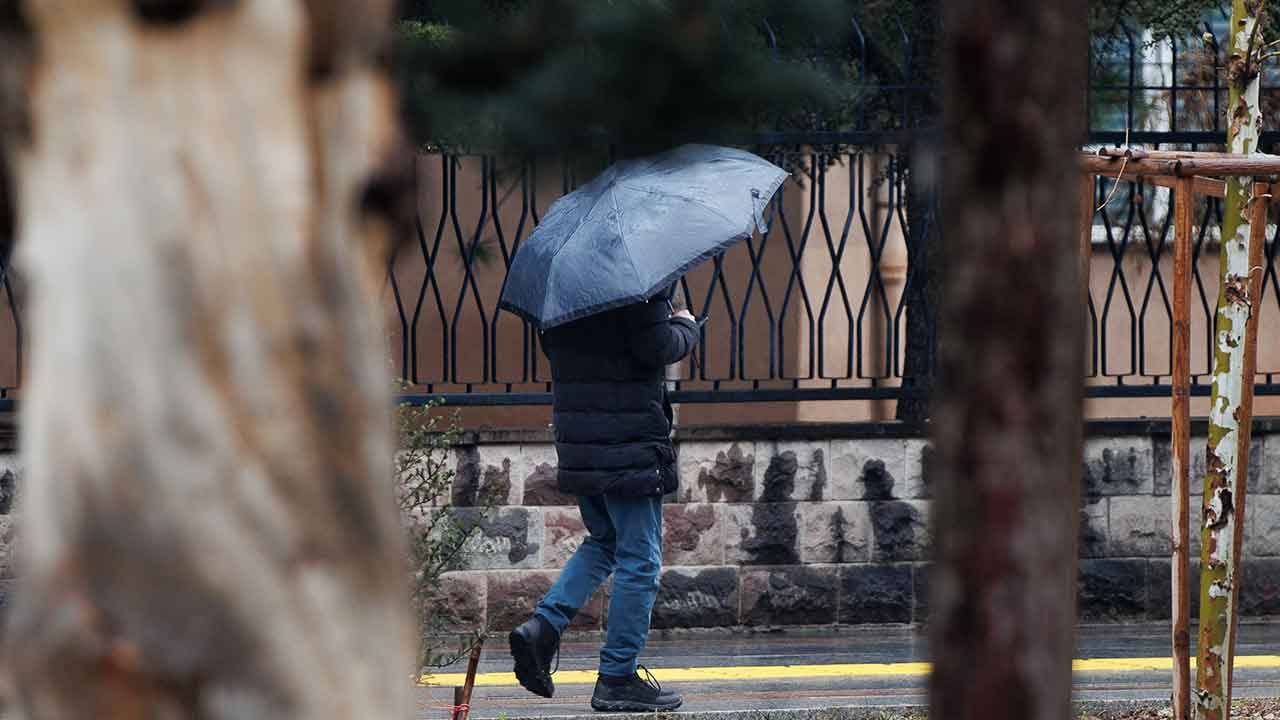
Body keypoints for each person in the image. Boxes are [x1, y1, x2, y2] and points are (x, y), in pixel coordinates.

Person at [509, 283, 698, 713]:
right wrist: (685, 327)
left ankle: (544, 627)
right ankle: (617, 676)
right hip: (627, 440)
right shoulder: (638, 282)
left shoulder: (561, 284)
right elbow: (654, 345)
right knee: (641, 559)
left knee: (606, 541)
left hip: (581, 438)